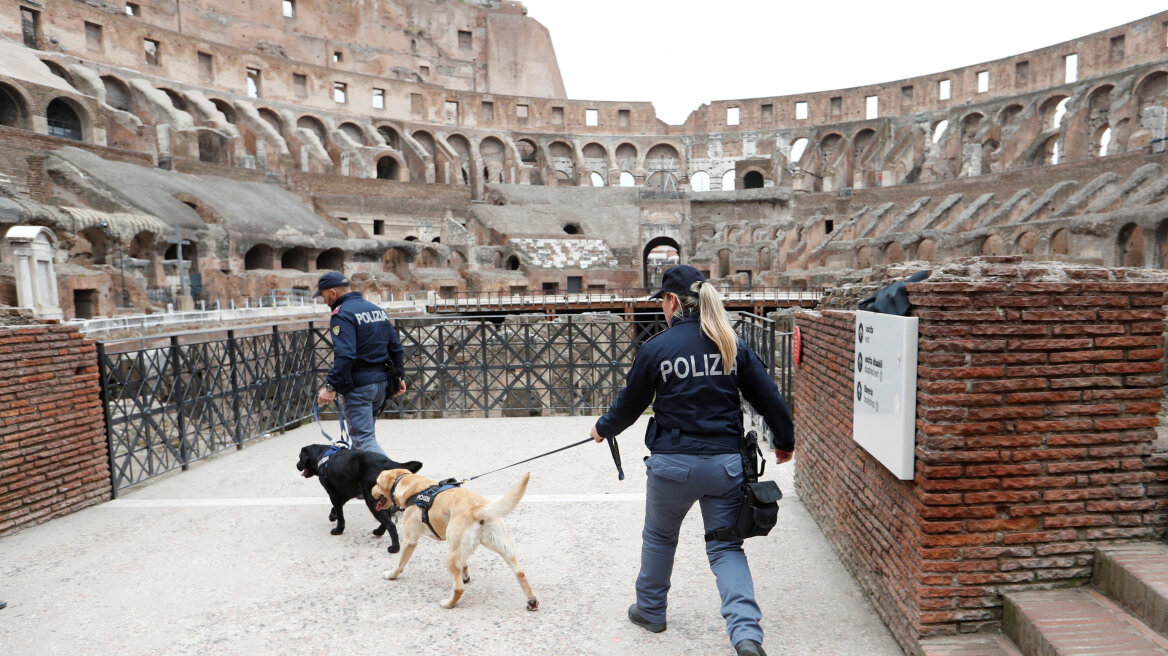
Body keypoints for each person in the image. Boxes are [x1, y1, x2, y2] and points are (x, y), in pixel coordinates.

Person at [590, 265, 794, 656]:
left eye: (662, 302)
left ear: (671, 301)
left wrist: (602, 428)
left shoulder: (656, 349)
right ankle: (746, 634)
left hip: (673, 466)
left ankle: (651, 611)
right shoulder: (731, 343)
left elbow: (629, 407)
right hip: (725, 466)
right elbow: (769, 398)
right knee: (726, 548)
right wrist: (785, 442)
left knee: (660, 537)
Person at [314, 272, 406, 457]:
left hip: (360, 387)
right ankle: (364, 485)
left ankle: (394, 478)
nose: (323, 301)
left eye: (323, 296)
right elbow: (396, 348)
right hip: (381, 384)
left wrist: (331, 386)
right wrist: (398, 377)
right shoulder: (376, 309)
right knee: (363, 440)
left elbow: (346, 355)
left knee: (363, 441)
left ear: (332, 292)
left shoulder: (342, 314)